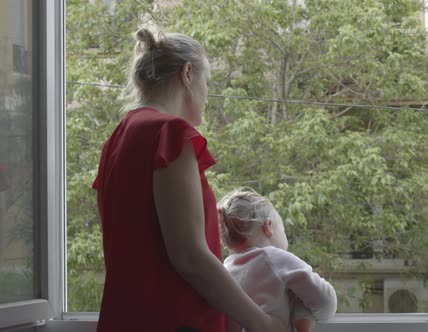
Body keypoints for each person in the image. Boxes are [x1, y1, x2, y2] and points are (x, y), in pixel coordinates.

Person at [92, 28, 284, 332]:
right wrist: (263, 324)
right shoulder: (168, 134)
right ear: (187, 73)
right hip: (176, 322)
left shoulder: (118, 138)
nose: (207, 94)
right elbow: (190, 256)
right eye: (207, 83)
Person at [217, 188, 338, 332]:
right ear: (268, 227)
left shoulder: (224, 269)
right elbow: (324, 301)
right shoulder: (275, 258)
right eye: (282, 228)